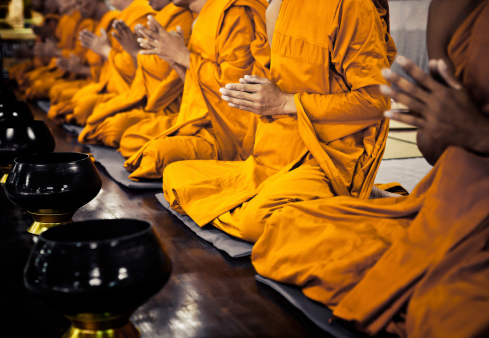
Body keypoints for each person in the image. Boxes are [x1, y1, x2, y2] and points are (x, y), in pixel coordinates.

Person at [251, 0, 489, 336]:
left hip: (336, 157)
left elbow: (374, 101)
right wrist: (440, 126)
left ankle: (363, 198)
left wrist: (479, 133)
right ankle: (375, 202)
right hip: (439, 206)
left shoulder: (351, 5)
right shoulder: (452, 9)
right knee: (285, 230)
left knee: (449, 316)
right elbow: (434, 149)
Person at [161, 0, 396, 243]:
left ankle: (350, 200)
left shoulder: (351, 5)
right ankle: (341, 202)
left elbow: (376, 101)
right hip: (275, 151)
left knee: (257, 219)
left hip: (325, 156)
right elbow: (252, 89)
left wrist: (284, 102)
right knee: (175, 175)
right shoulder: (277, 8)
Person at [112, 0, 270, 166]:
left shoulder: (235, 13)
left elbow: (236, 88)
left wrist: (183, 56)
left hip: (229, 133)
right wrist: (174, 60)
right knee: (131, 137)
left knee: (154, 154)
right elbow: (195, 86)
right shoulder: (200, 19)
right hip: (197, 118)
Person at [71, 0, 193, 147]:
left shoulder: (176, 16)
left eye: (80, 3)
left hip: (167, 103)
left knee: (111, 128)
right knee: (86, 110)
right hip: (132, 90)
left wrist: (111, 51)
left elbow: (159, 69)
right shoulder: (148, 17)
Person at [47, 0, 158, 125]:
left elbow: (135, 68)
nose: (77, 8)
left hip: (135, 92)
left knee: (85, 111)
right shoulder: (120, 17)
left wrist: (105, 50)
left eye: (80, 3)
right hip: (110, 84)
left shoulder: (143, 15)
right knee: (68, 99)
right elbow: (106, 68)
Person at [45, 0, 119, 106]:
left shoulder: (114, 21)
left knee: (76, 104)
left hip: (108, 86)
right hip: (95, 81)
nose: (78, 8)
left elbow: (120, 68)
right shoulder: (97, 23)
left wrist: (82, 69)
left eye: (80, 3)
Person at [20, 0, 97, 100]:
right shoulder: (65, 18)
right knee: (26, 78)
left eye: (80, 3)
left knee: (49, 90)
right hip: (64, 70)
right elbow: (59, 46)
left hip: (85, 76)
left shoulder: (87, 21)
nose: (58, 2)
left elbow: (80, 57)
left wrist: (56, 51)